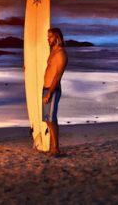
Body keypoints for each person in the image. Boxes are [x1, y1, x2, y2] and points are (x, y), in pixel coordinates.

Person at [42, 28, 68, 156]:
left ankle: (55, 149)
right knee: (47, 119)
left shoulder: (61, 54)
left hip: (53, 90)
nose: (48, 39)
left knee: (52, 119)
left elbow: (57, 76)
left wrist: (49, 93)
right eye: (48, 37)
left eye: (51, 37)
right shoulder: (52, 52)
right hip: (46, 88)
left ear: (57, 37)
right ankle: (52, 147)